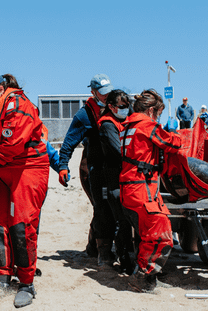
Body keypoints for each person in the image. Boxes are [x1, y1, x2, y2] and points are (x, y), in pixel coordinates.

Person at [0, 72, 48, 308]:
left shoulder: (19, 105)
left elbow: (14, 142)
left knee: (21, 226)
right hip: (2, 170)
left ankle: (26, 283)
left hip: (27, 170)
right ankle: (3, 277)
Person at [115, 89, 182, 292]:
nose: (159, 118)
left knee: (147, 235)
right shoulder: (146, 125)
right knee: (160, 234)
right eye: (159, 114)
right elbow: (172, 144)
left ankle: (148, 277)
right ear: (152, 110)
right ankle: (142, 277)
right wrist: (175, 132)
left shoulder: (127, 126)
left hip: (130, 187)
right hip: (141, 188)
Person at [57, 74, 125, 268]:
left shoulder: (116, 110)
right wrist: (63, 166)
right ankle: (103, 252)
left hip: (114, 167)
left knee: (112, 208)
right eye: (102, 94)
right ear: (93, 92)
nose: (105, 96)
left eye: (108, 93)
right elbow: (69, 142)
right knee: (101, 207)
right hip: (92, 168)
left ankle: (92, 247)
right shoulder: (84, 115)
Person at [96, 89, 138, 273]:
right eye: (121, 107)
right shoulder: (107, 125)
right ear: (111, 107)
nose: (125, 110)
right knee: (122, 221)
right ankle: (125, 259)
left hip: (127, 179)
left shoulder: (124, 121)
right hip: (115, 180)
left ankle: (131, 257)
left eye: (127, 107)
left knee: (129, 220)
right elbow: (119, 151)